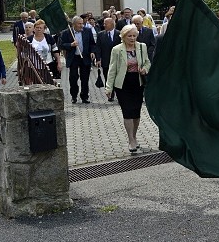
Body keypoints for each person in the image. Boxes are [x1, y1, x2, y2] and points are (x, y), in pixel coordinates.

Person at [105, 24, 151, 154]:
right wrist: (109, 88)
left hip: (137, 82)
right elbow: (112, 69)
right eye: (129, 36)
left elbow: (147, 62)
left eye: (134, 36)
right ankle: (131, 140)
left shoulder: (142, 47)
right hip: (123, 85)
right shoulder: (117, 49)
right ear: (123, 37)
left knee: (136, 113)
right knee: (127, 112)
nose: (132, 38)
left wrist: (145, 69)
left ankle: (134, 136)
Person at [58, 16, 98, 104]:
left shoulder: (87, 31)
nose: (81, 25)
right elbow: (61, 45)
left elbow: (92, 43)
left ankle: (84, 96)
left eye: (82, 23)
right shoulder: (66, 32)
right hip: (73, 58)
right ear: (74, 24)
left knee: (85, 78)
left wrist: (92, 52)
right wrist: (71, 45)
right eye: (79, 24)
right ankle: (74, 96)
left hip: (85, 57)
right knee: (73, 78)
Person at [97, 17, 120, 100]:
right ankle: (110, 94)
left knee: (117, 78)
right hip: (106, 60)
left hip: (117, 60)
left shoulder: (119, 34)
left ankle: (119, 95)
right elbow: (98, 47)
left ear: (112, 24)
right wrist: (98, 59)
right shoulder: (100, 34)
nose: (104, 25)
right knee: (107, 77)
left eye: (105, 23)